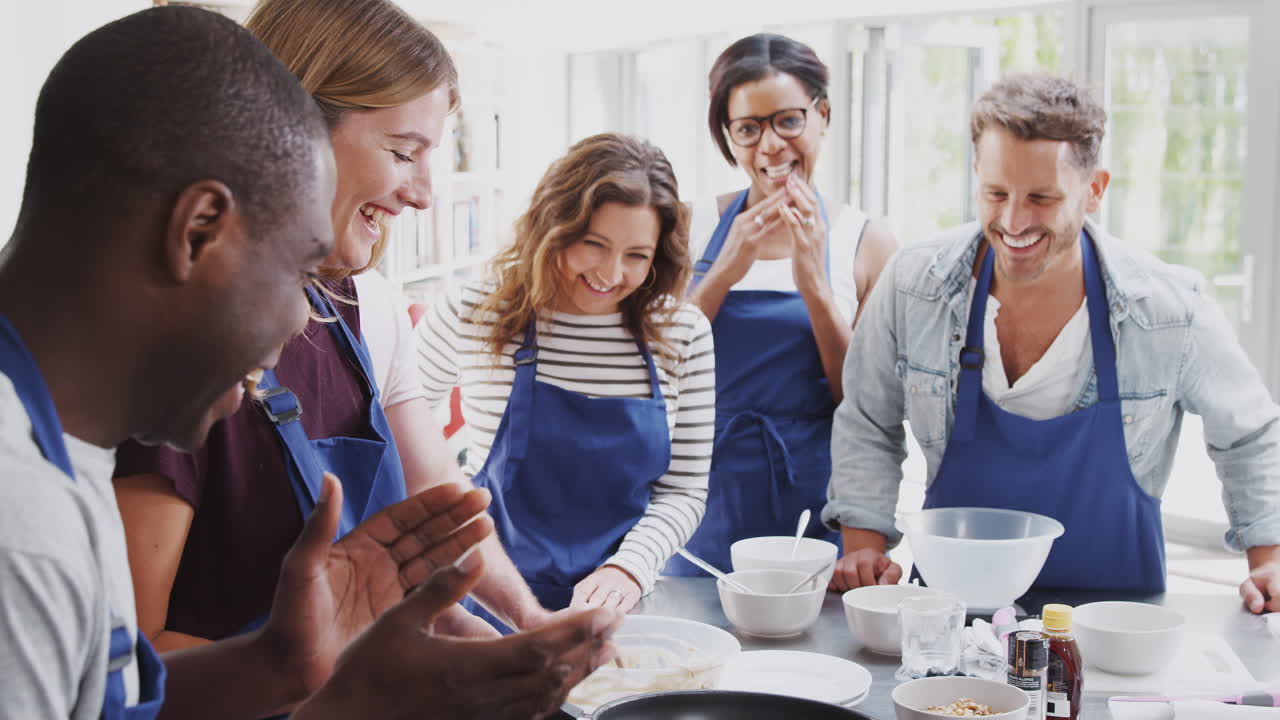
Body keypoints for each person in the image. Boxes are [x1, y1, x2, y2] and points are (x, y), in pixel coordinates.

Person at [0, 7, 619, 720]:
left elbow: (115, 704)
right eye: (297, 272)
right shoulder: (24, 527)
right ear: (198, 232)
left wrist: (281, 667)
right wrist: (340, 703)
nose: (304, 320)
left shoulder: (62, 455)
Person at [113, 0, 548, 650]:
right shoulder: (176, 342)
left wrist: (529, 624)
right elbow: (128, 661)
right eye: (404, 152)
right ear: (294, 130)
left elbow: (436, 506)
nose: (426, 193)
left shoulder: (367, 306)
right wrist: (335, 664)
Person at [824, 73, 1280, 613]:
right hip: (951, 614)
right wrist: (864, 548)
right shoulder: (913, 285)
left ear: (1095, 190)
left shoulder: (1167, 309)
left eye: (1041, 198)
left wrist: (1268, 560)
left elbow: (1248, 435)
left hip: (1115, 623)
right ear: (976, 174)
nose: (1014, 220)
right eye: (996, 193)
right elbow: (868, 420)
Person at [416, 133, 716, 616]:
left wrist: (628, 569)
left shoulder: (682, 332)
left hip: (617, 610)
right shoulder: (474, 309)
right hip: (483, 600)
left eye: (637, 255)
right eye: (594, 244)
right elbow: (398, 426)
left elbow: (683, 491)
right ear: (554, 227)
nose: (612, 273)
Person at [664, 33, 897, 578]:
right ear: (728, 136)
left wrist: (814, 281)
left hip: (815, 503)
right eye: (748, 128)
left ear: (822, 115)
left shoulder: (868, 243)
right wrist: (725, 270)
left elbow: (865, 403)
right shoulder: (685, 225)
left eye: (787, 120)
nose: (770, 145)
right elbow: (656, 373)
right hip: (698, 498)